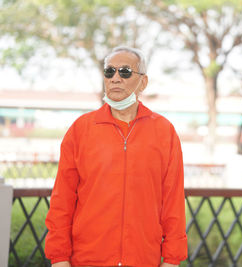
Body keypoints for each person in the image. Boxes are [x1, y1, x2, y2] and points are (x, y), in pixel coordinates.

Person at [45, 46, 188, 267]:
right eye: (109, 72)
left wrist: (171, 259)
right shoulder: (81, 129)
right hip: (87, 260)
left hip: (143, 260)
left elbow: (173, 202)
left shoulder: (164, 131)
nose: (115, 78)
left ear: (143, 82)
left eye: (125, 71)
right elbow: (62, 199)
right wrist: (59, 257)